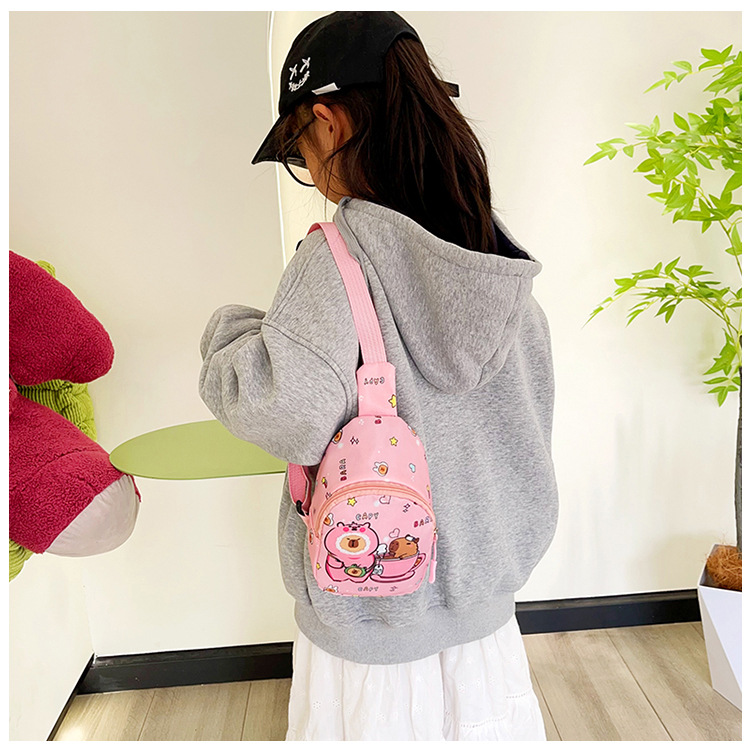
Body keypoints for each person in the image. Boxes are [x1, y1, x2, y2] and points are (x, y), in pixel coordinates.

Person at [199, 11, 558, 742]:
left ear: (326, 121)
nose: (310, 170)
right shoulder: (496, 266)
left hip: (372, 624)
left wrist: (231, 335)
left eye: (298, 150)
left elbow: (284, 410)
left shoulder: (336, 261)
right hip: (487, 627)